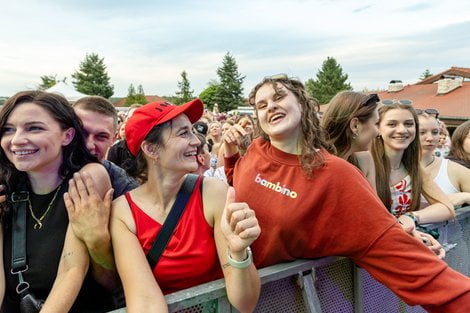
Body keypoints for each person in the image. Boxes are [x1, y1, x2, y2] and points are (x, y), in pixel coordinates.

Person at [223, 76, 470, 313]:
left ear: (302, 103)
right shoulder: (255, 150)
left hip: (291, 299)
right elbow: (238, 185)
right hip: (227, 295)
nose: (271, 106)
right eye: (261, 105)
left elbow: (388, 245)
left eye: (279, 97)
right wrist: (230, 155)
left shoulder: (337, 174)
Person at [110, 99, 261, 312]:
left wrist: (238, 253)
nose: (197, 141)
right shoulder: (123, 213)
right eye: (183, 133)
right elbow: (144, 302)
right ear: (151, 149)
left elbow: (245, 303)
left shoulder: (214, 193)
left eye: (192, 131)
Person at [0, 91, 115, 312]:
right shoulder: (6, 185)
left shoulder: (88, 177)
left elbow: (71, 270)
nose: (16, 140)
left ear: (68, 136)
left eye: (34, 128)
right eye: (8, 129)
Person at [371, 102, 455, 230]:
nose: (402, 130)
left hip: (403, 241)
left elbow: (446, 208)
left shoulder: (414, 169)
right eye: (392, 124)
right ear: (378, 129)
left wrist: (412, 216)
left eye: (409, 124)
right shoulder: (365, 163)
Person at [321, 91, 379, 190]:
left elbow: (372, 205)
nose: (379, 132)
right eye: (376, 123)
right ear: (355, 126)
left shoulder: (364, 159)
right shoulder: (313, 164)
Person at [418, 112, 470, 207]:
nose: (430, 138)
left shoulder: (455, 169)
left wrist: (466, 196)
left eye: (435, 132)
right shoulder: (390, 168)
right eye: (422, 132)